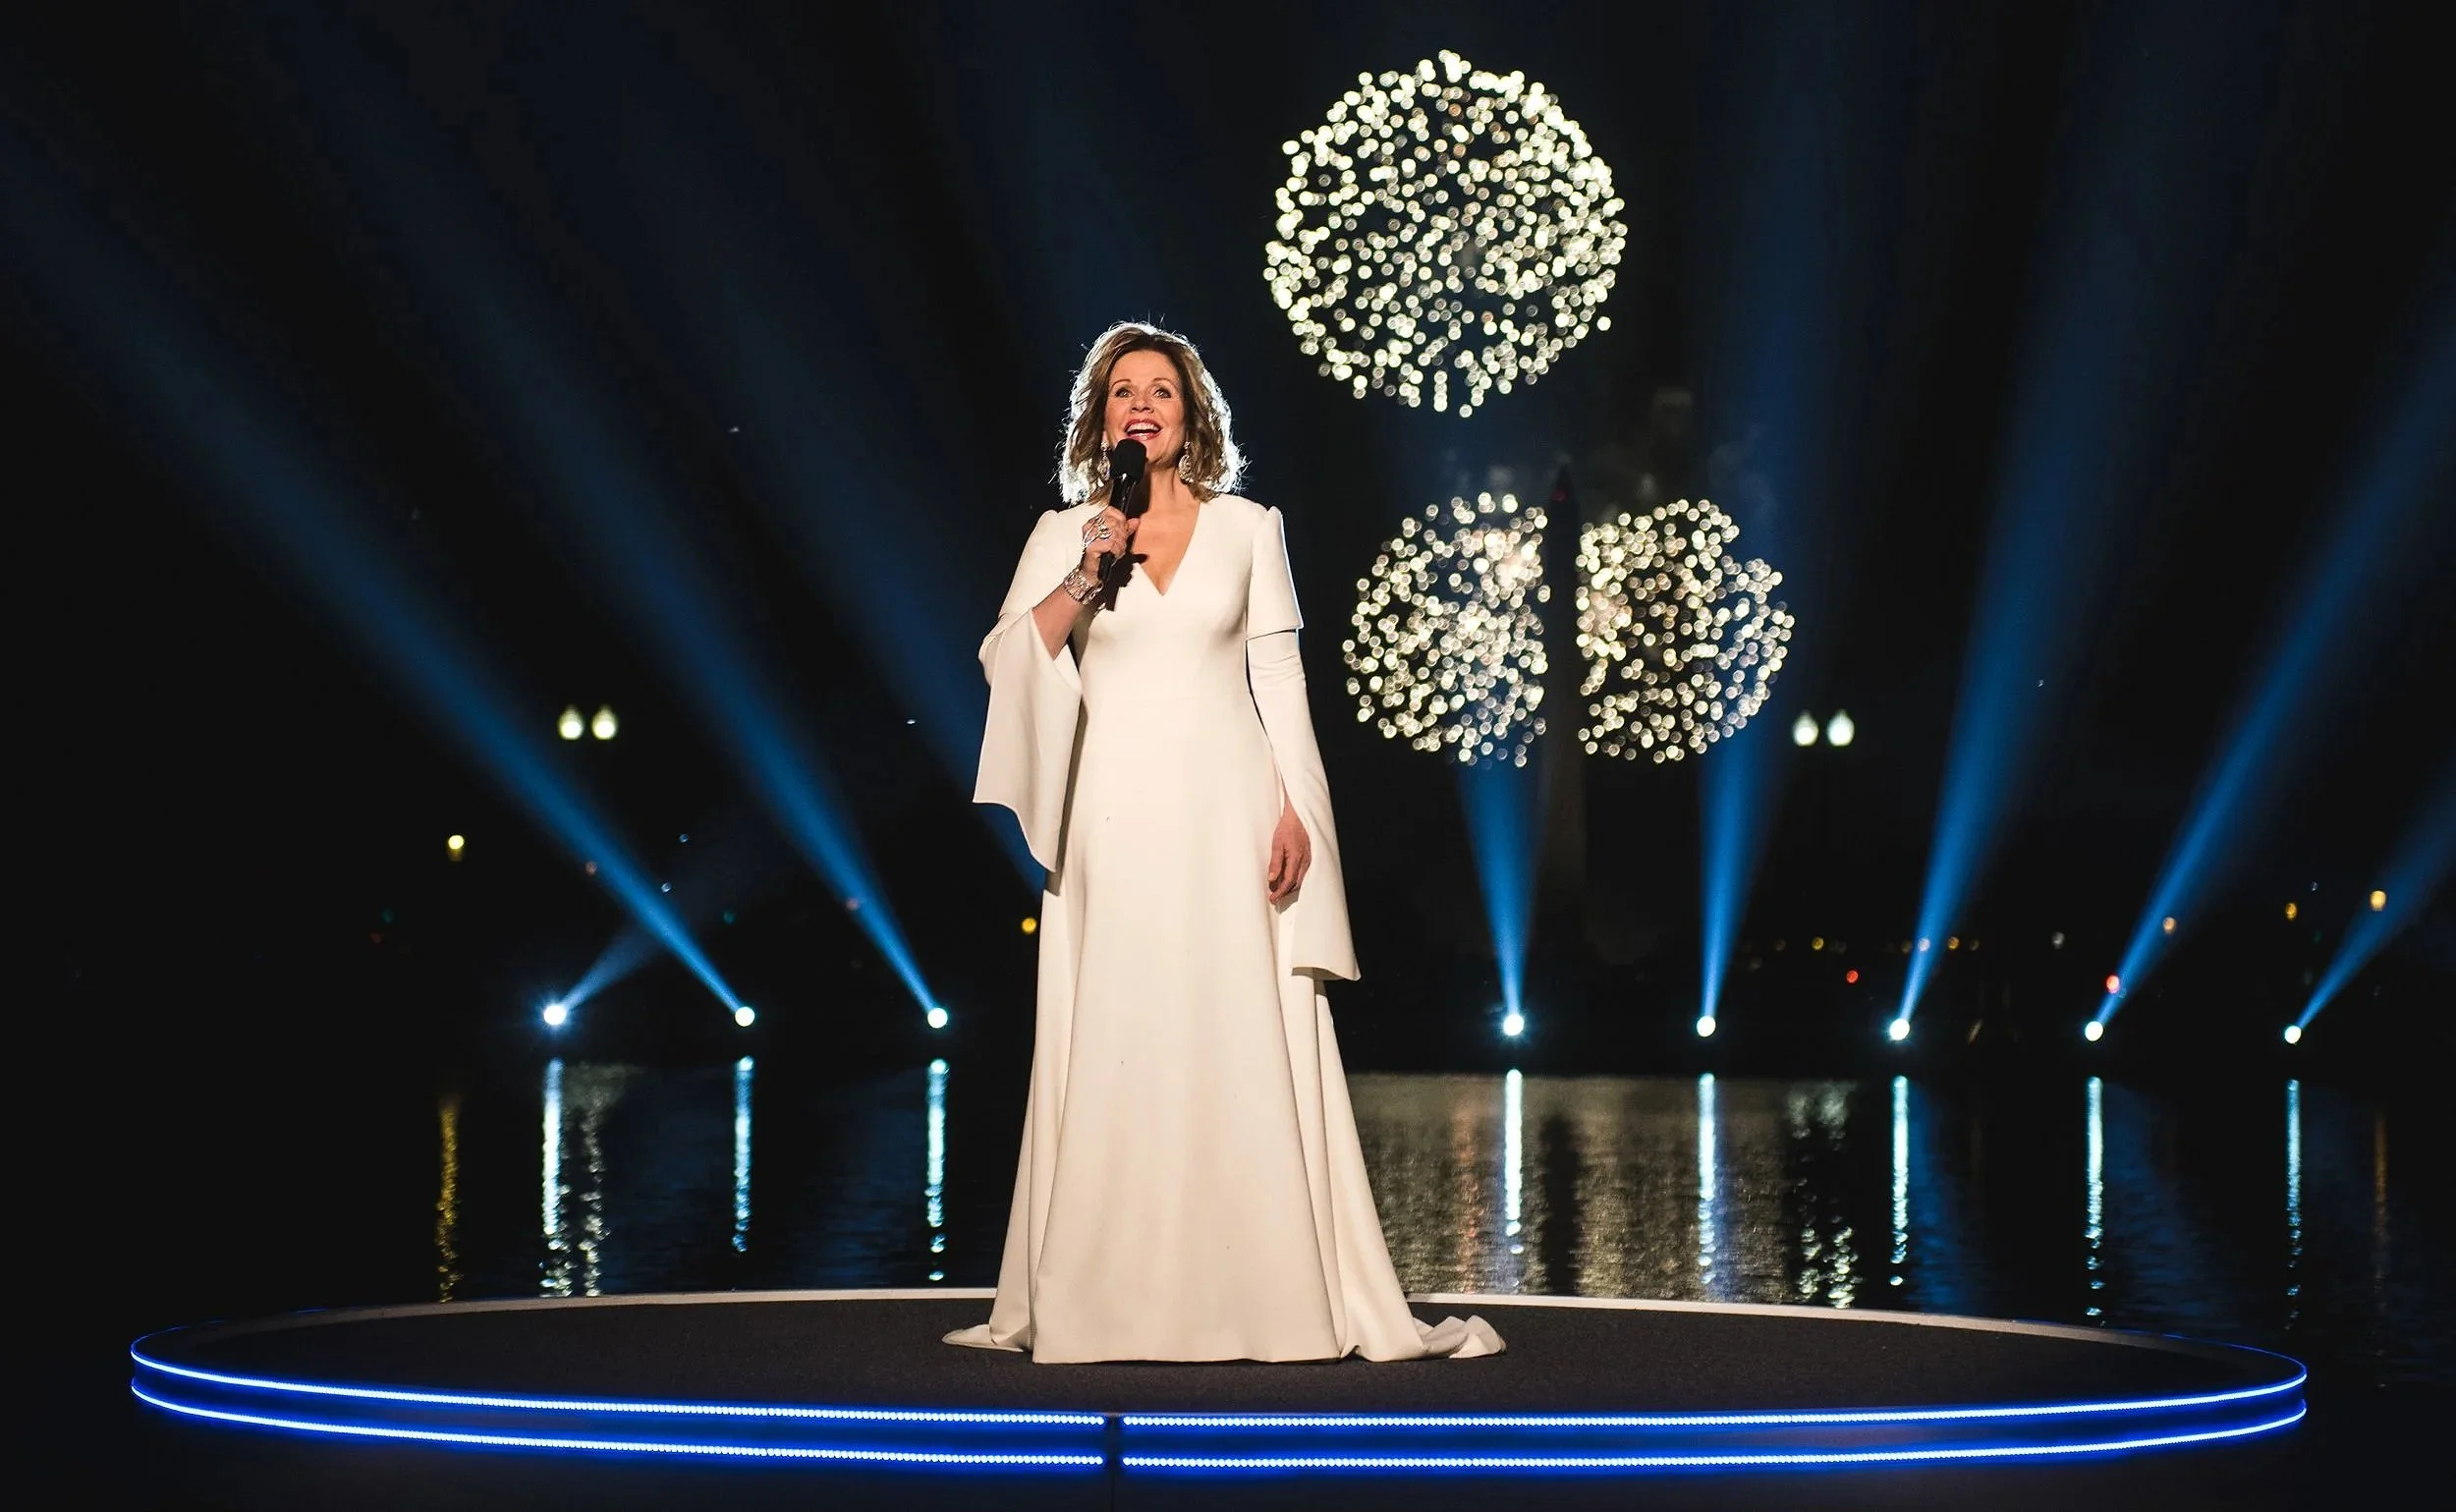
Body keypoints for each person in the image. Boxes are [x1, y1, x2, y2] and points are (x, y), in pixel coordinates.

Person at [943, 322, 1503, 1364]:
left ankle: (1266, 1292)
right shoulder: (1065, 533)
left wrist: (1297, 810)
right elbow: (1008, 660)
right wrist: (1088, 570)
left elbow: (1279, 679)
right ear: (1099, 419)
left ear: (1191, 415)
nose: (1141, 405)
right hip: (1110, 815)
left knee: (1235, 1028)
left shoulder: (1249, 527)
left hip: (1229, 811)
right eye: (1122, 392)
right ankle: (1105, 1298)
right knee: (1119, 1033)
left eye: (1160, 390)